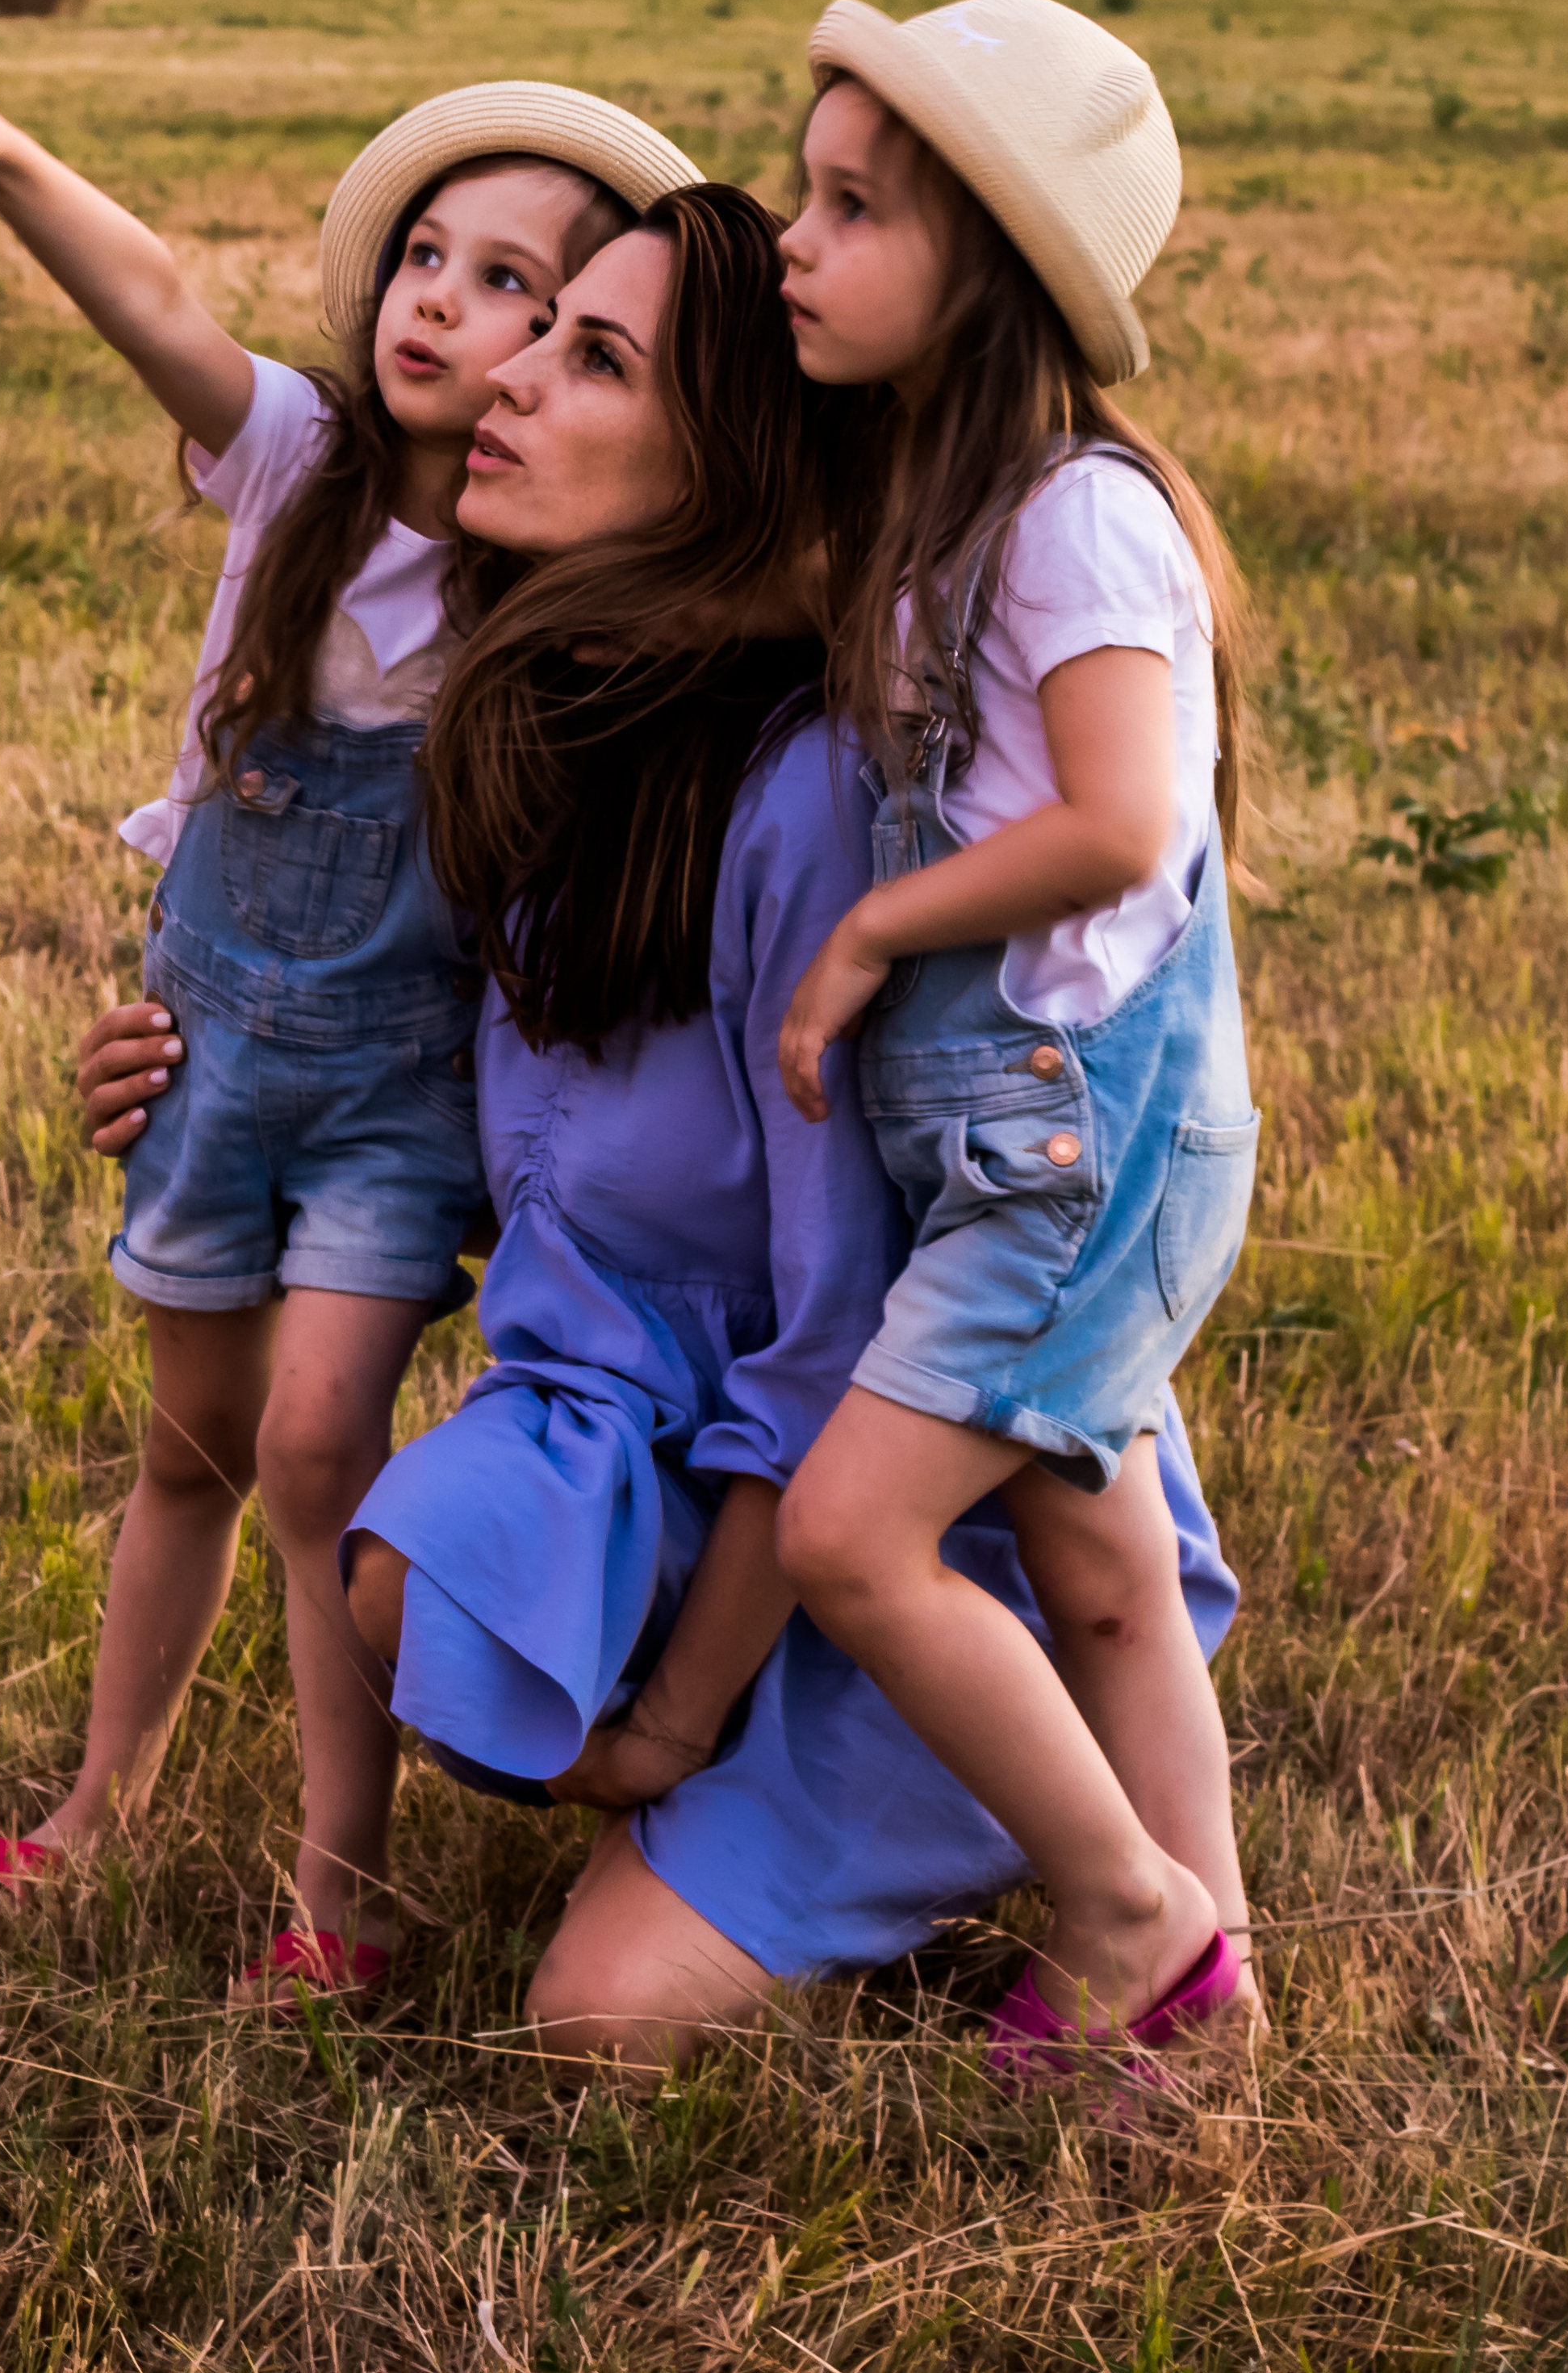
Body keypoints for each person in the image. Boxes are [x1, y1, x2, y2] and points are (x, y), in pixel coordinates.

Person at [317, 178, 1246, 2071]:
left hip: (879, 1491)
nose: (502, 371)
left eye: (590, 357)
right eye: (532, 327)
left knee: (593, 2026)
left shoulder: (816, 799)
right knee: (402, 1577)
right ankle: (759, 1777)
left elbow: (836, 1345)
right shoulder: (553, 740)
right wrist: (179, 1066)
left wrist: (668, 1719)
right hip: (663, 1456)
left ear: (723, 458)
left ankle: (1062, 1858)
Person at [0, 0, 699, 1993]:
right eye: (422, 257)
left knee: (320, 1447)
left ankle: (341, 1887)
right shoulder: (294, 459)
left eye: (511, 287)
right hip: (211, 1043)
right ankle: (101, 1796)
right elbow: (145, 293)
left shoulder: (552, 580)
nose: (434, 306)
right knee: (191, 1444)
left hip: (401, 1089)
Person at [771, 0, 1257, 2073]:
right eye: (800, 185)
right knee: (1104, 1571)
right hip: (1025, 1142)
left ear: (981, 275)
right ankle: (1205, 2009)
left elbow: (1119, 820)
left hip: (1074, 1147)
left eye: (849, 206)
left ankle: (1133, 1912)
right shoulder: (940, 515)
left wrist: (874, 924)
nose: (793, 235)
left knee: (850, 1539)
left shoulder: (1075, 517)